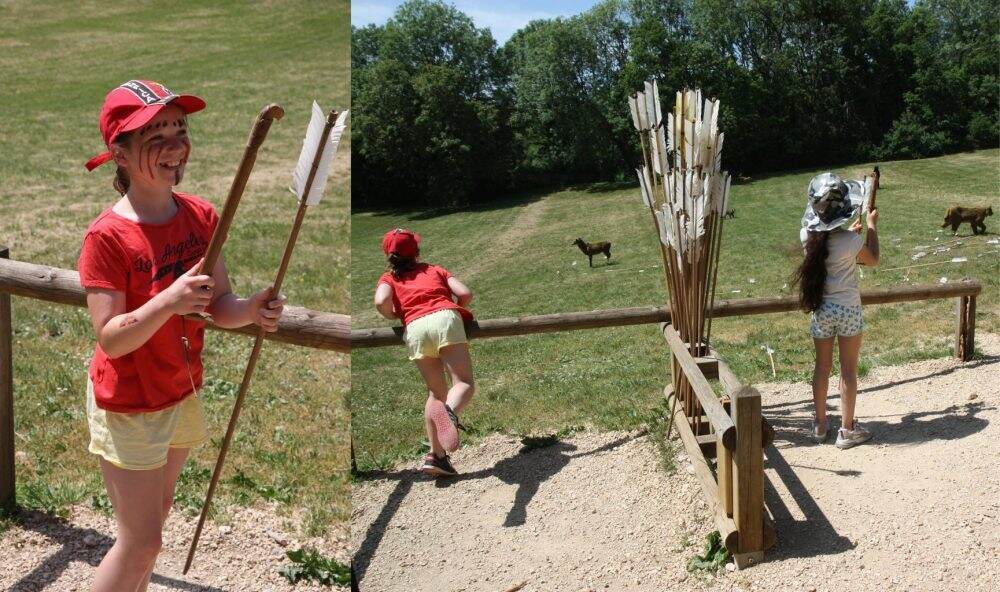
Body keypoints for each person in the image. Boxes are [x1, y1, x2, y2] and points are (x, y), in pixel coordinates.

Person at [78, 80, 285, 590]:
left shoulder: (201, 217)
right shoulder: (107, 237)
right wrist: (169, 300)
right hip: (129, 400)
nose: (174, 145)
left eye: (179, 129)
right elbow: (111, 338)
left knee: (152, 528)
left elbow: (219, 305)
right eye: (154, 134)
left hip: (177, 387)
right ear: (118, 153)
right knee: (142, 542)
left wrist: (252, 310)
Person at [374, 228, 475, 476]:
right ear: (416, 251)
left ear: (389, 254)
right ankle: (449, 415)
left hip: (415, 327)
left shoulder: (388, 278)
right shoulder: (433, 269)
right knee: (463, 383)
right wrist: (455, 309)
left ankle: (437, 456)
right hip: (444, 318)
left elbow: (380, 301)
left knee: (435, 392)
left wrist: (394, 314)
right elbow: (465, 293)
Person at [794, 172, 880, 449]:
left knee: (821, 367)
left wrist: (850, 235)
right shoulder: (851, 242)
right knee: (848, 371)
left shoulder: (807, 236)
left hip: (822, 310)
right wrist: (871, 226)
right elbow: (873, 259)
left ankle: (819, 425)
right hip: (848, 311)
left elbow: (829, 245)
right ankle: (847, 429)